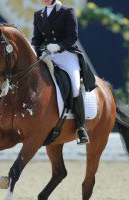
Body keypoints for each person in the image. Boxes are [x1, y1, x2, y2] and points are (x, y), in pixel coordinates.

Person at [31, 0, 96, 144]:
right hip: (47, 54)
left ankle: (81, 128)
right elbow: (37, 38)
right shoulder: (39, 15)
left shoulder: (67, 11)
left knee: (74, 87)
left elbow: (73, 37)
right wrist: (34, 46)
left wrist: (59, 45)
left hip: (66, 55)